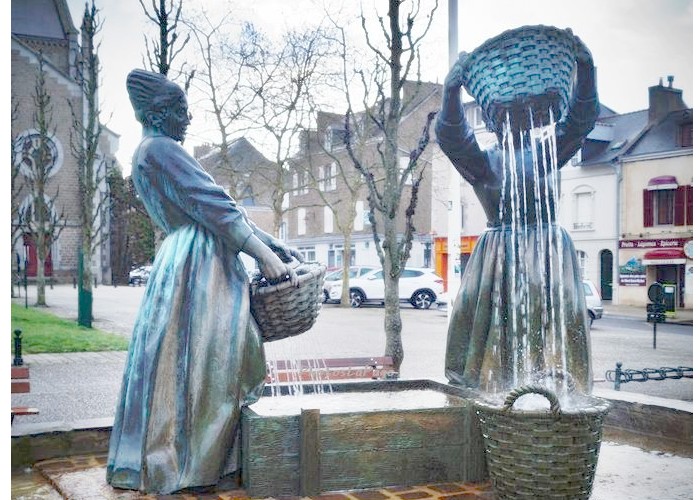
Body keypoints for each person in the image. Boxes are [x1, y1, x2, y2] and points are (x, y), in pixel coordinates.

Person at [106, 69, 299, 494]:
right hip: (202, 266)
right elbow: (212, 206)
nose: (188, 118)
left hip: (184, 259)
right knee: (216, 362)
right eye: (180, 109)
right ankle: (191, 462)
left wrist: (272, 243)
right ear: (158, 113)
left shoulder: (149, 151)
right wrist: (263, 254)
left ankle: (198, 457)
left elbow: (218, 207)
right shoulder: (161, 149)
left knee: (186, 360)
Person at [436, 33, 599, 394]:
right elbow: (451, 138)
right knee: (472, 315)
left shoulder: (550, 150)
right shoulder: (484, 162)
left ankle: (561, 389)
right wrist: (451, 93)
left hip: (548, 253)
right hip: (498, 255)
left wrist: (586, 69)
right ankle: (482, 388)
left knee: (561, 316)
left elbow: (580, 120)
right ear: (495, 121)